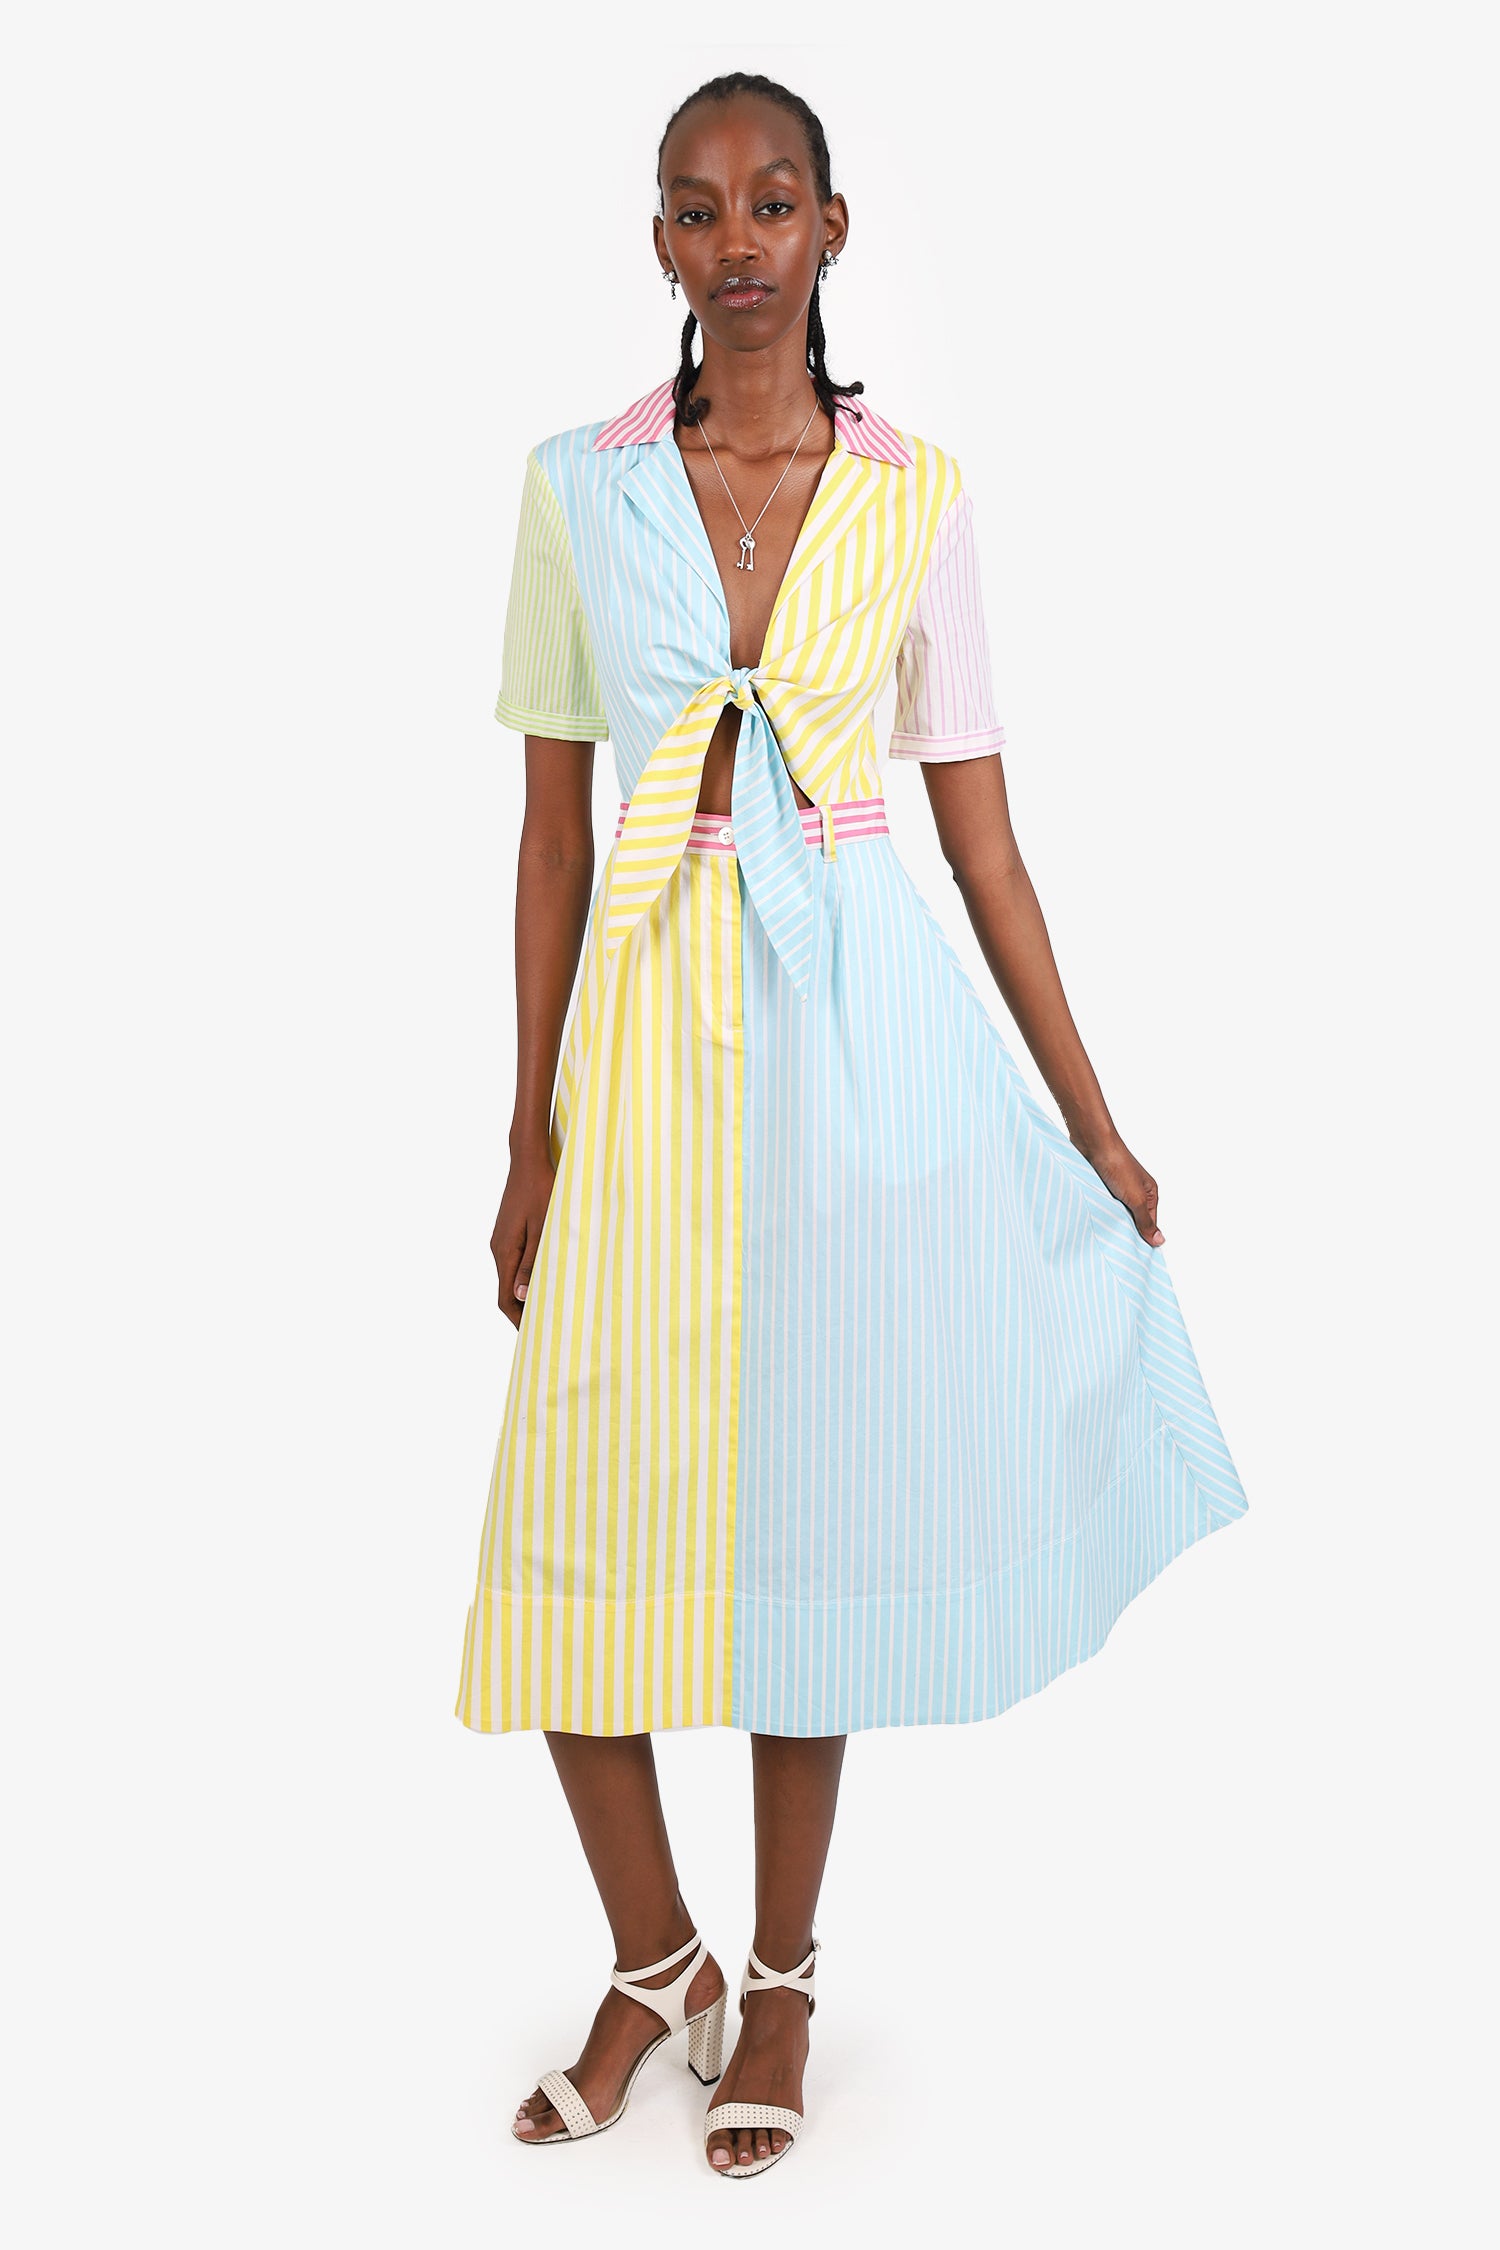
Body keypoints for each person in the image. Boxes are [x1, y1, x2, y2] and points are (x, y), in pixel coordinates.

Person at [454, 70, 1248, 2181]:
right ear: (660, 243)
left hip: (852, 1039)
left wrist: (1094, 1123)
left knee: (803, 1516)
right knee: (570, 1531)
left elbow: (983, 843)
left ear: (827, 229)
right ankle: (657, 1963)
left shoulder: (917, 497)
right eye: (697, 207)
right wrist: (526, 1134)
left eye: (772, 201)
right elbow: (553, 841)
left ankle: (784, 1973)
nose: (737, 241)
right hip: (644, 1037)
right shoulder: (573, 490)